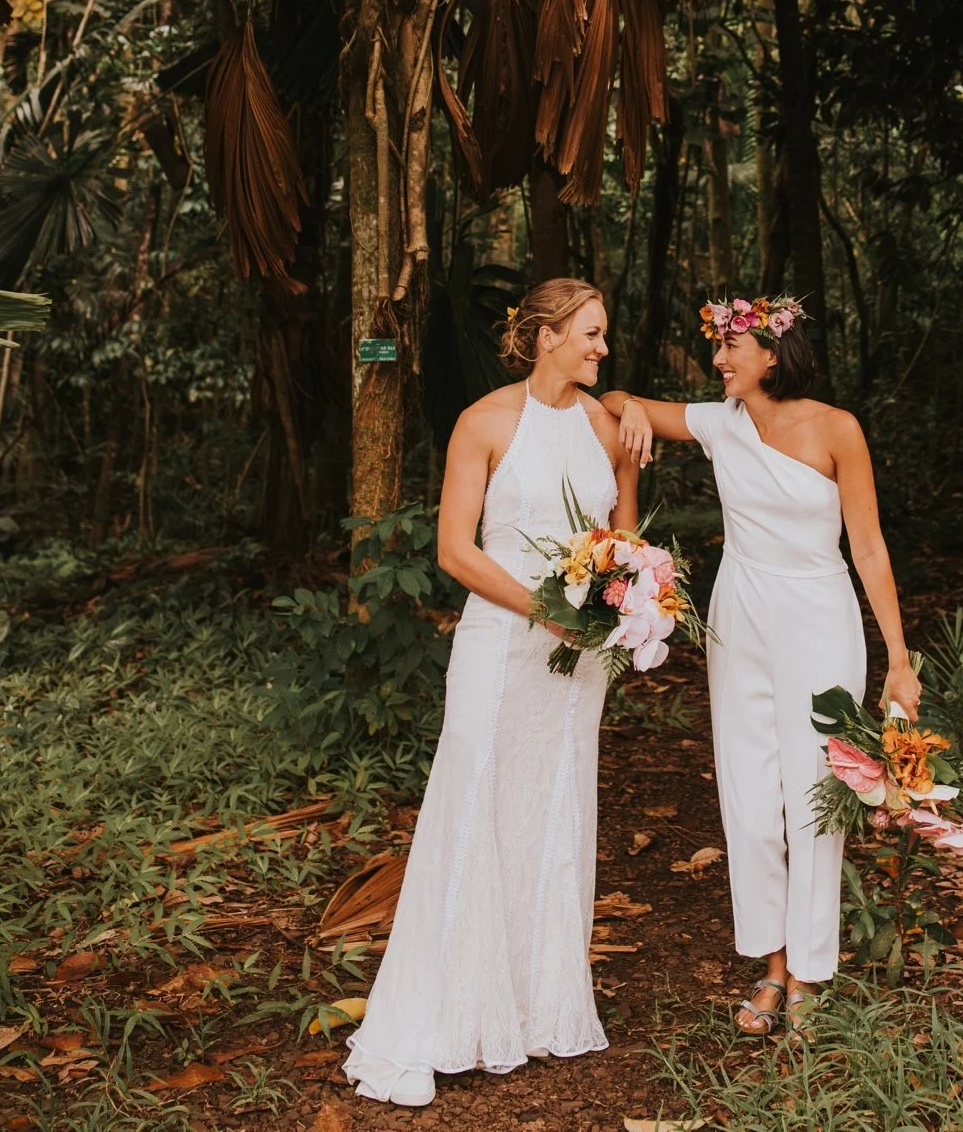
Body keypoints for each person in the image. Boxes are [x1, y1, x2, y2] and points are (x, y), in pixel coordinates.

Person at [345, 279, 638, 1107]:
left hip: (577, 656)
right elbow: (453, 549)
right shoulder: (483, 423)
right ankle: (452, 1012)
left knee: (554, 804)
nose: (601, 348)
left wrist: (616, 607)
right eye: (589, 333)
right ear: (544, 335)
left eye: (604, 334)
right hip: (504, 640)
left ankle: (539, 1006)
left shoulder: (607, 425)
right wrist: (547, 610)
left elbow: (622, 539)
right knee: (475, 799)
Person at [603, 294, 921, 1037]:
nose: (717, 361)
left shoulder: (838, 429)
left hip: (818, 614)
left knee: (813, 791)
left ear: (772, 355)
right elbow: (617, 396)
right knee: (748, 797)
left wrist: (899, 660)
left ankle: (811, 972)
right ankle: (772, 966)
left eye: (728, 349)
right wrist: (631, 412)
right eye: (717, 348)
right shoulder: (721, 424)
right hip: (740, 616)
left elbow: (868, 547)